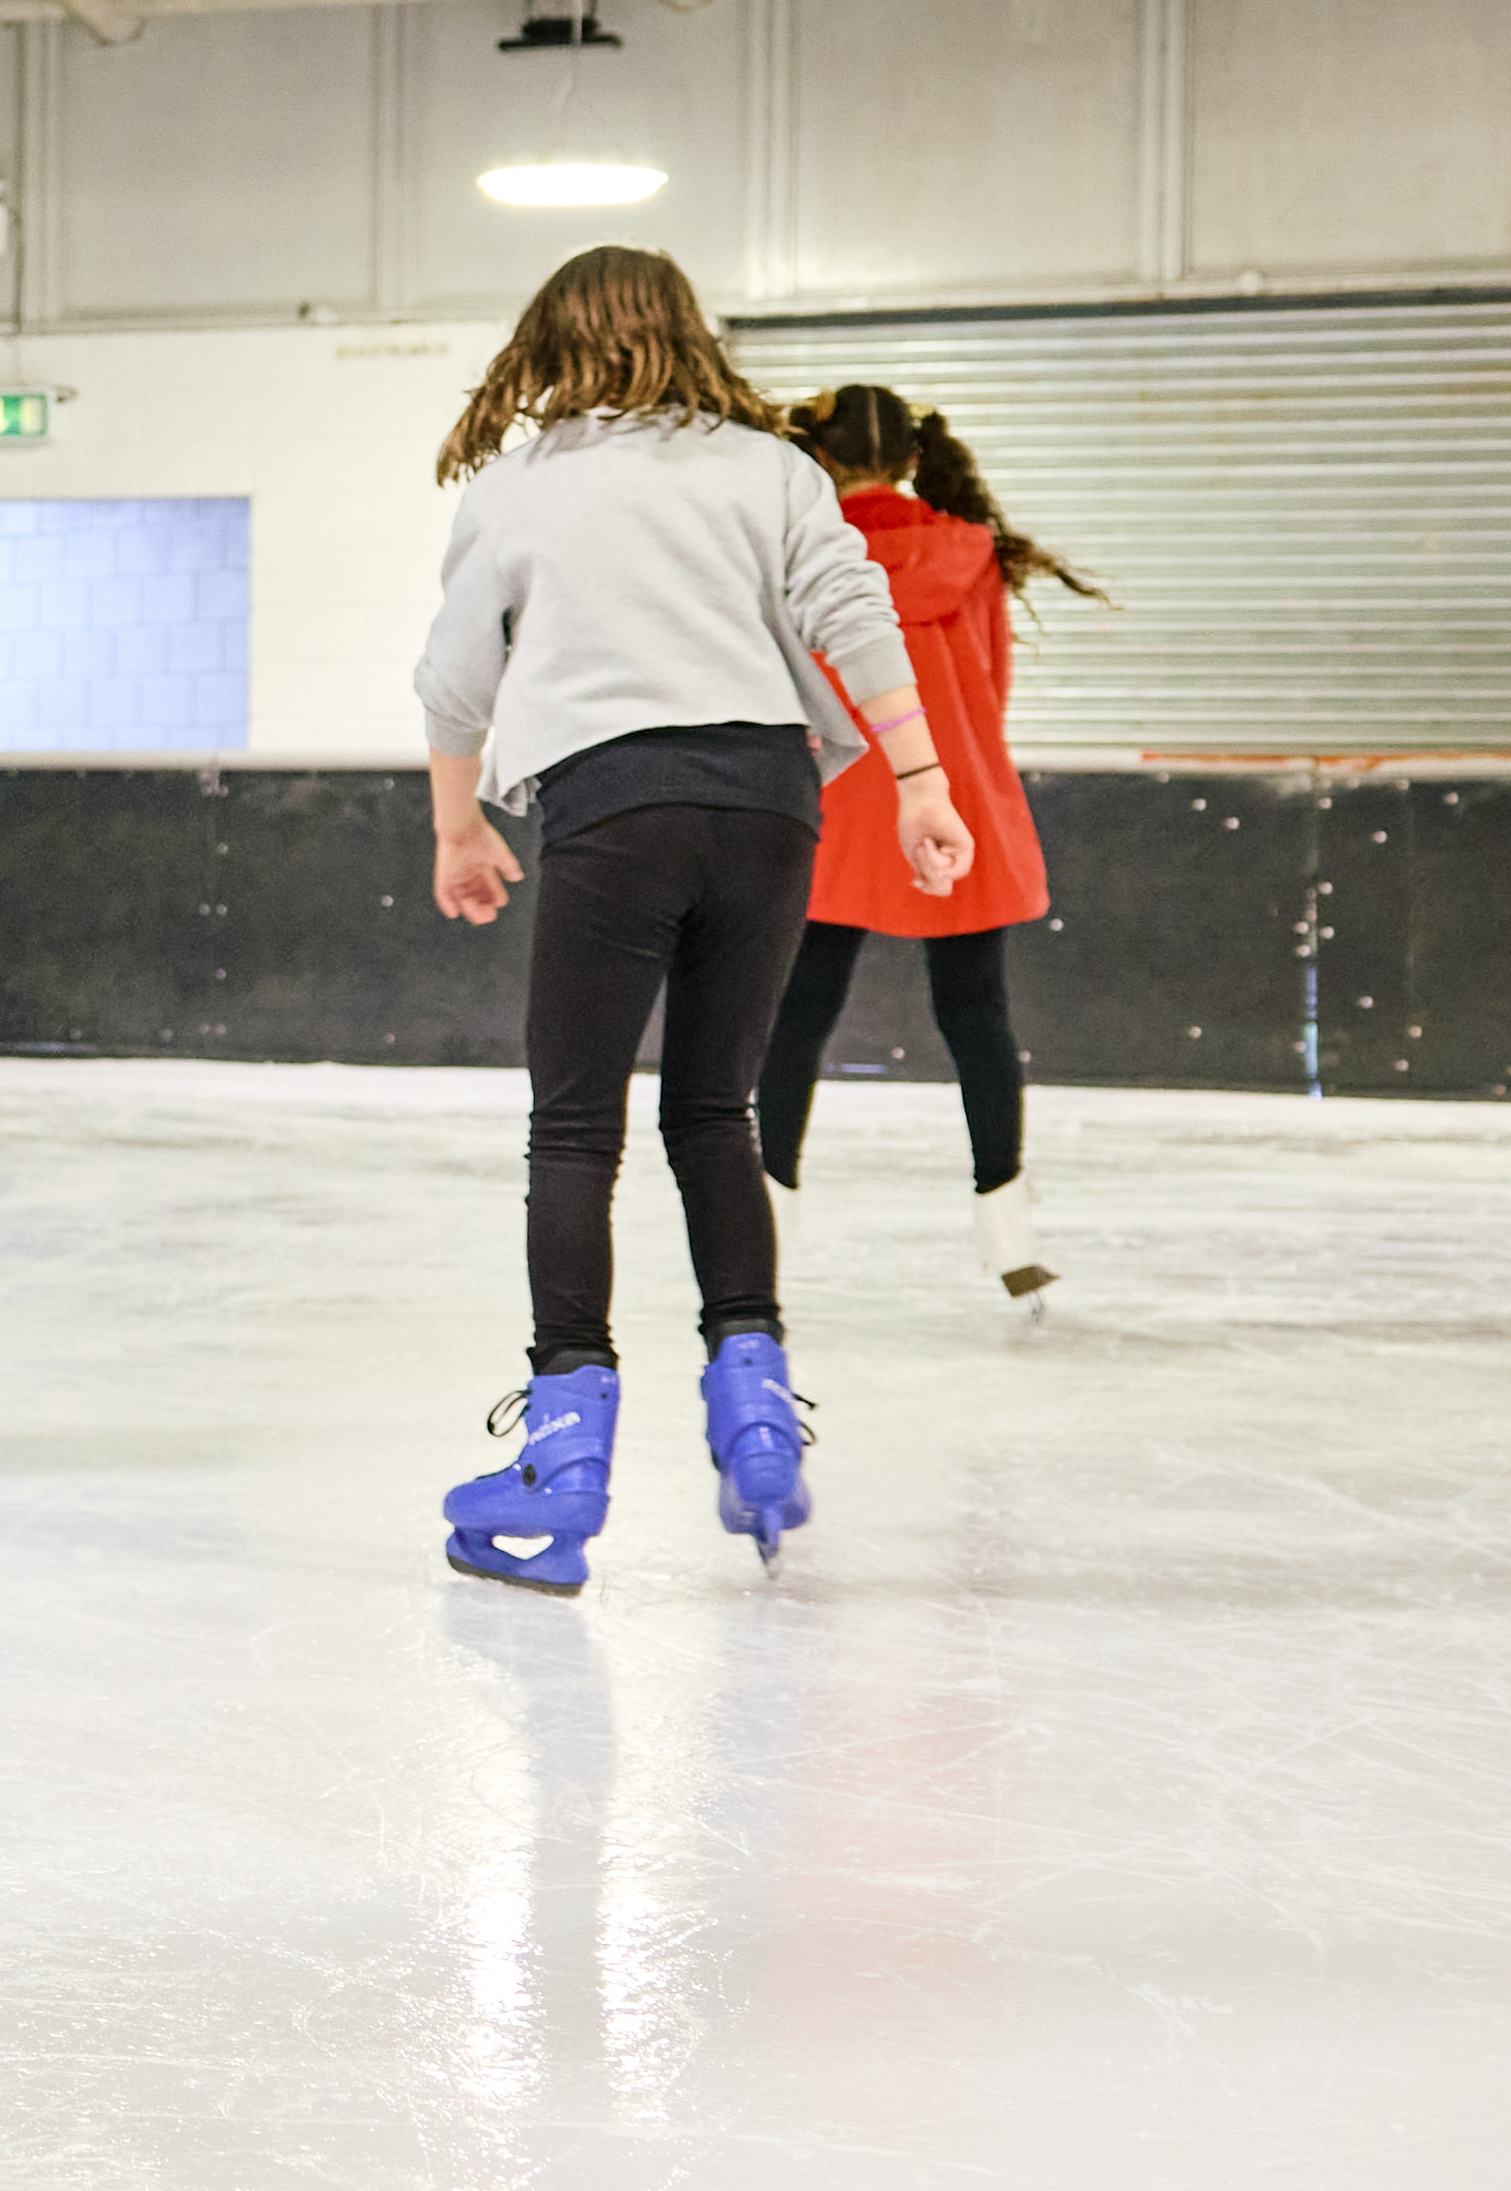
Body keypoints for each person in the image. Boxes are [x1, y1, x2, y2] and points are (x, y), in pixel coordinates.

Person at [419, 251, 967, 1596]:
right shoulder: (765, 466)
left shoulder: (519, 481)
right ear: (686, 335)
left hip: (612, 802)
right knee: (711, 1113)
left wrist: (454, 826)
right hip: (770, 802)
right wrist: (917, 781)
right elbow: (852, 611)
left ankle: (563, 1453)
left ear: (548, 341)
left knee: (572, 1123)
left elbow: (451, 676)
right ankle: (754, 1414)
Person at [754, 381, 1090, 1304]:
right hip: (954, 796)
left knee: (797, 1017)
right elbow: (989, 684)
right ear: (912, 458)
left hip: (834, 803)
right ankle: (1008, 1235)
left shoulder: (806, 554)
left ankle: (764, 1228)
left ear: (818, 459)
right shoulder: (970, 553)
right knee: (976, 1017)